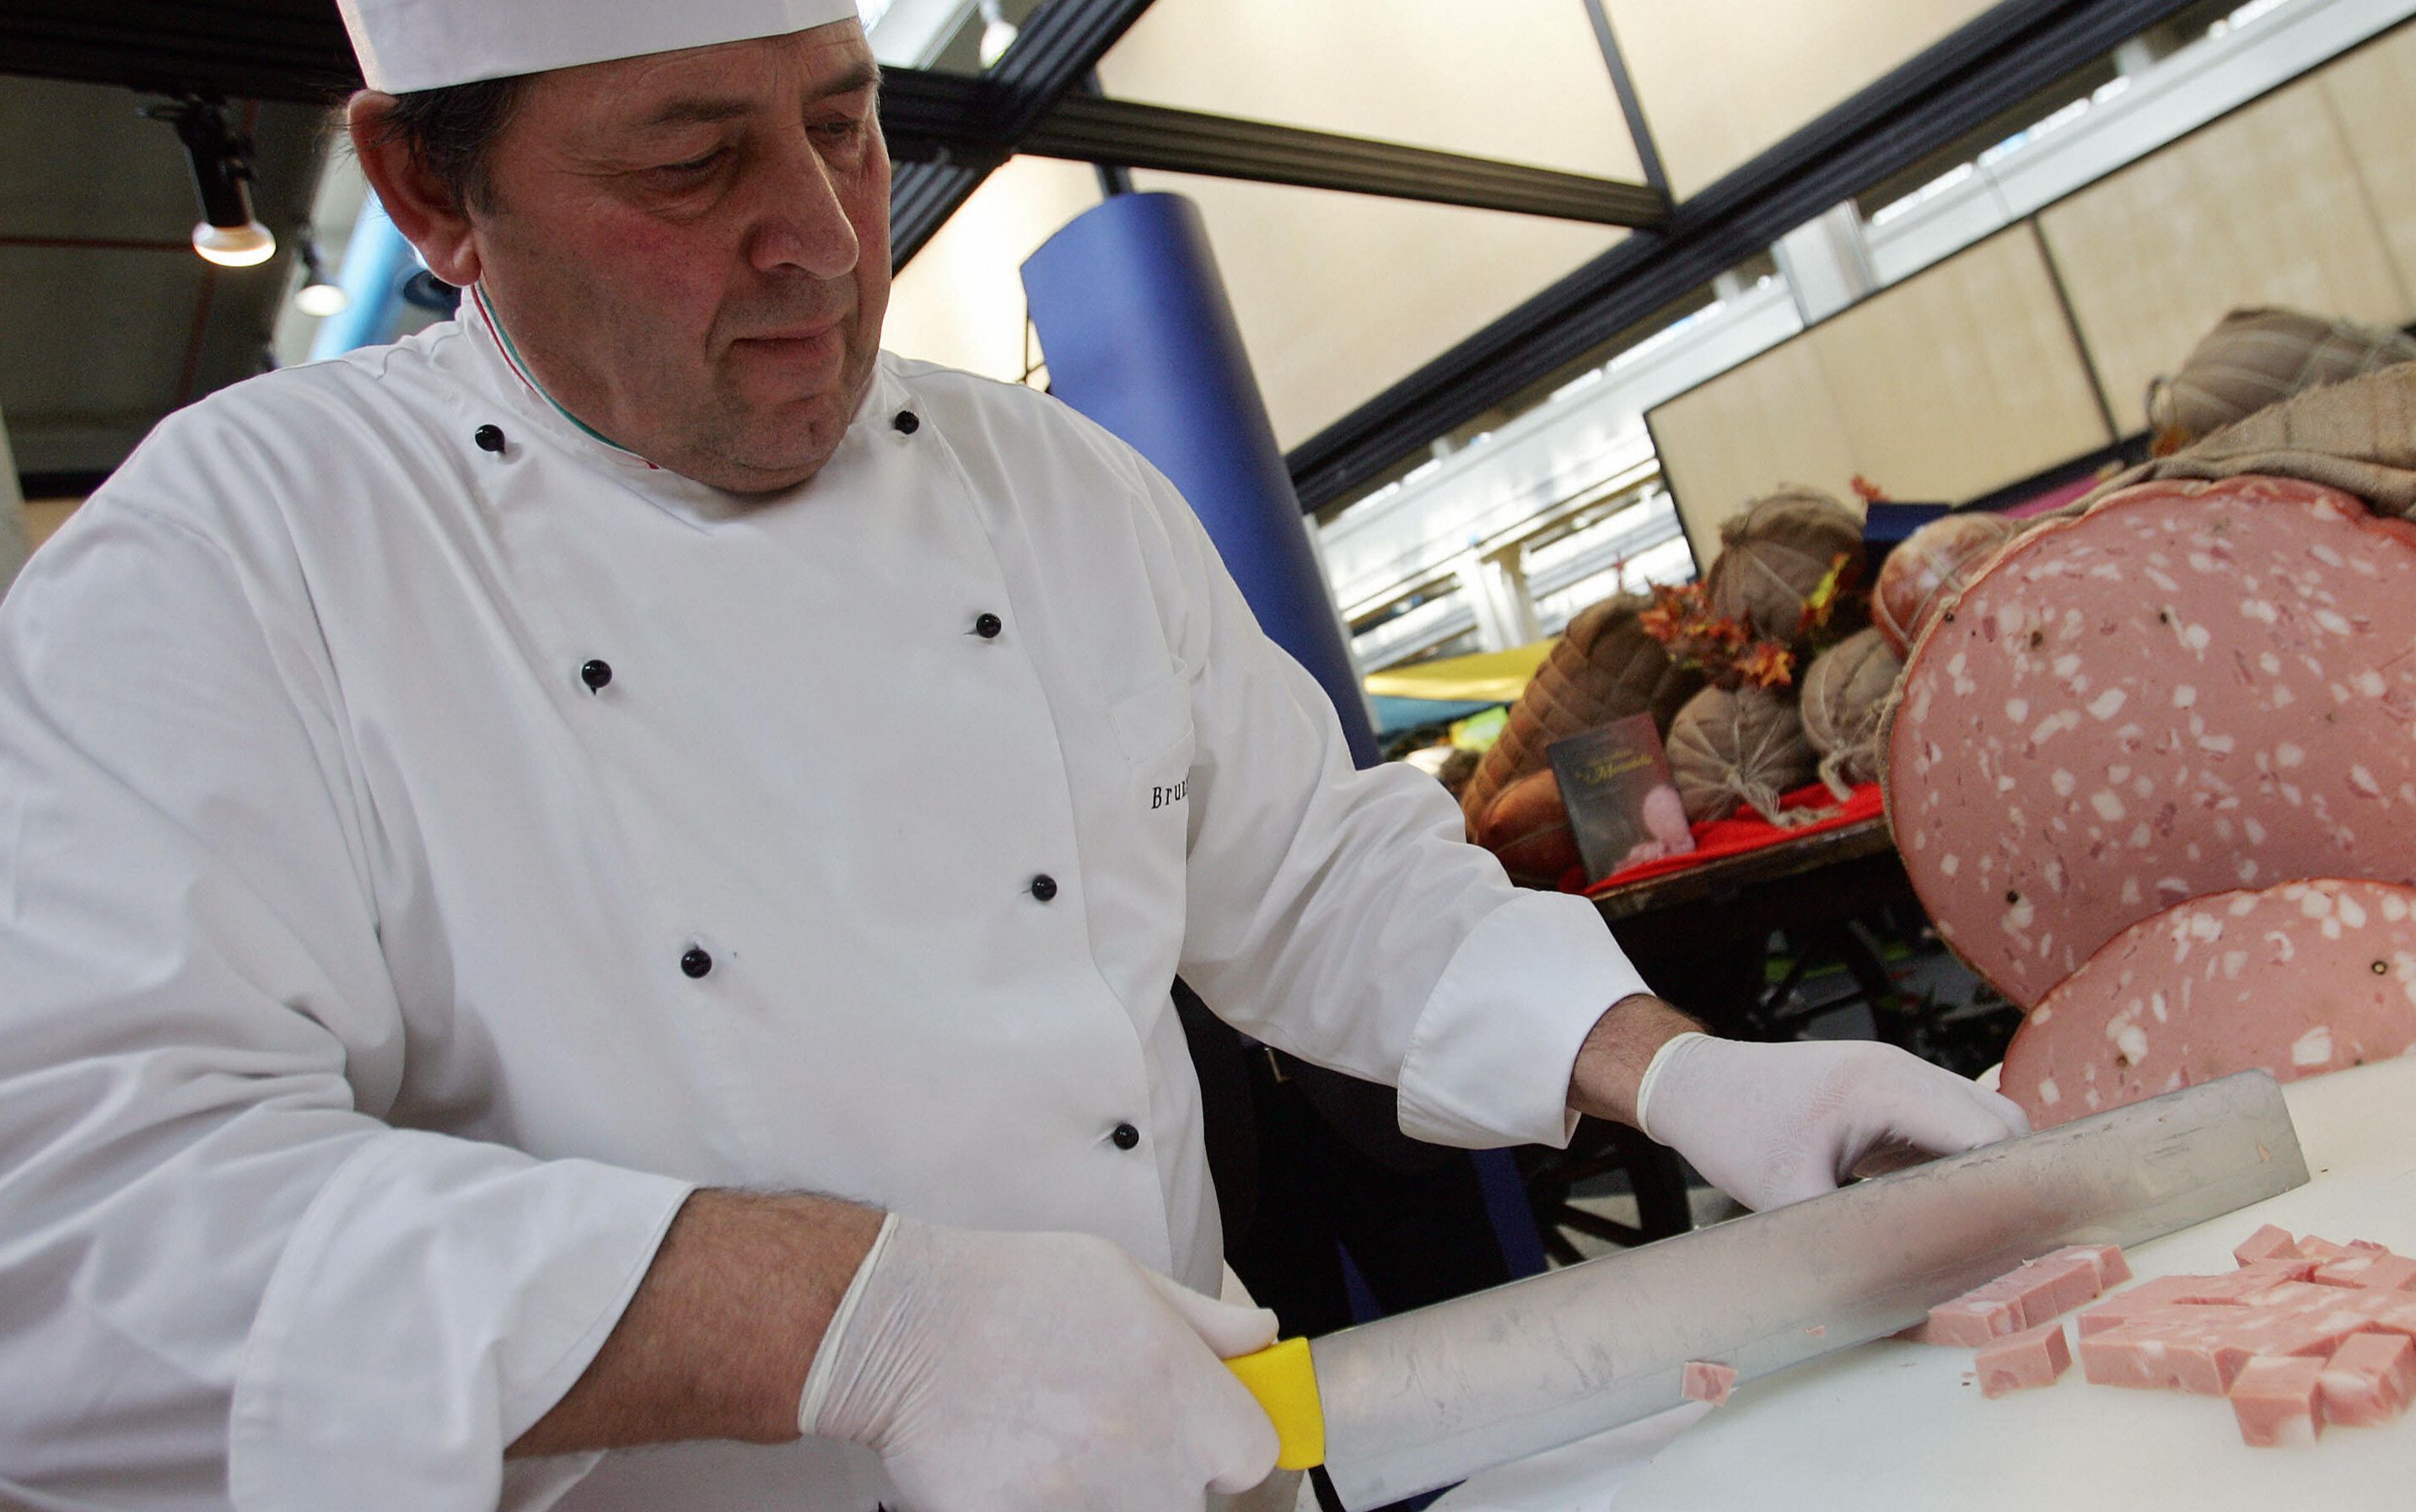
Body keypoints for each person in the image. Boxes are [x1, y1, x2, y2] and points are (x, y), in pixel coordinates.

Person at [0, 3, 2028, 1508]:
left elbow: (1317, 872)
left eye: (845, 122)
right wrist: (849, 1322)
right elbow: (75, 1243)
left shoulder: (1051, 492)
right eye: (694, 166)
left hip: (1189, 1469)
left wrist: (1673, 1069)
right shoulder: (247, 558)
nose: (817, 234)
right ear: (436, 192)